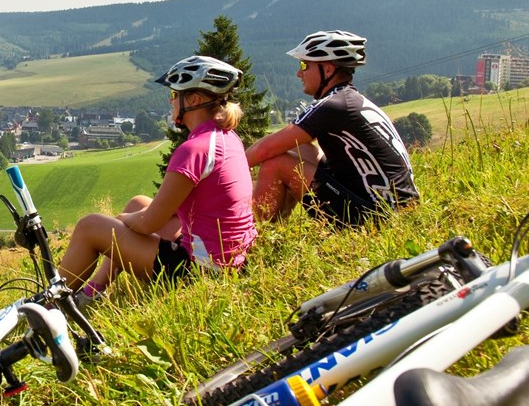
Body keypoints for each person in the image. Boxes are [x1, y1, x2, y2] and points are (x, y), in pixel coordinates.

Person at [58, 56, 258, 301]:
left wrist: (121, 220)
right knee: (139, 203)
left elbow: (147, 224)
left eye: (175, 94)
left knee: (91, 226)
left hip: (202, 271)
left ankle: (48, 305)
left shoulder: (194, 149)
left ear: (193, 100)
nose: (171, 100)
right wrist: (133, 218)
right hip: (232, 260)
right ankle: (92, 293)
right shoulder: (228, 138)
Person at [245, 30, 419, 226]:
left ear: (327, 70)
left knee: (276, 164)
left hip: (376, 218)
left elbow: (265, 149)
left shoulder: (331, 105)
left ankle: (251, 237)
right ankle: (272, 225)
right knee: (299, 149)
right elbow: (282, 143)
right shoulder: (351, 100)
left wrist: (224, 174)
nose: (299, 73)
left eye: (304, 65)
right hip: (395, 209)